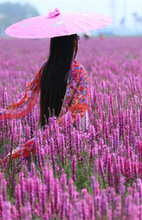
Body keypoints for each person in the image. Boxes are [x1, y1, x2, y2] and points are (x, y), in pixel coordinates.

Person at [0, 34, 90, 167]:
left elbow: (26, 100)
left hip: (44, 138)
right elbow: (80, 109)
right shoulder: (79, 71)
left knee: (40, 175)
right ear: (72, 44)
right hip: (71, 140)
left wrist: (3, 113)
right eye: (77, 40)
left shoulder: (46, 69)